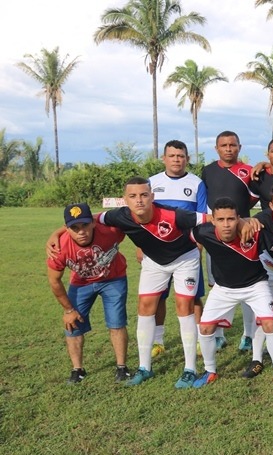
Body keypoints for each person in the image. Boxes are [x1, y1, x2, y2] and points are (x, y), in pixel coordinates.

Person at [47, 177, 206, 387]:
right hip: (154, 262)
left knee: (183, 306)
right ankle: (144, 367)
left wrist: (242, 221)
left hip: (185, 259)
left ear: (152, 196)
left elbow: (212, 218)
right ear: (125, 199)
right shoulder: (119, 216)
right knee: (144, 307)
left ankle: (189, 369)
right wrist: (56, 232)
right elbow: (89, 219)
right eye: (133, 196)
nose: (139, 200)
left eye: (143, 195)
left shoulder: (174, 214)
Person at [190, 197, 273, 392]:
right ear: (213, 220)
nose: (226, 224)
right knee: (205, 329)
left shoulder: (254, 232)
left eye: (231, 219)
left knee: (270, 324)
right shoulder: (203, 232)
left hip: (256, 286)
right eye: (221, 219)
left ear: (238, 218)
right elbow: (184, 232)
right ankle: (209, 371)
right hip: (223, 289)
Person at [47, 203, 130, 384]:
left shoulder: (110, 231)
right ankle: (78, 370)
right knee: (73, 324)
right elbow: (54, 281)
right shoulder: (59, 247)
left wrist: (141, 248)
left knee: (116, 323)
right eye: (75, 228)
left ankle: (122, 367)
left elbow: (134, 222)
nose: (81, 231)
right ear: (67, 229)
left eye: (85, 225)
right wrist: (69, 310)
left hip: (113, 279)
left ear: (93, 223)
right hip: (81, 283)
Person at [147, 139, 208, 358]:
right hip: (157, 252)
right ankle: (158, 341)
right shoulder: (152, 182)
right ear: (164, 158)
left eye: (180, 156)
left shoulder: (196, 183)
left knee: (193, 296)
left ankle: (201, 340)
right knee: (158, 297)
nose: (176, 159)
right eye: (172, 155)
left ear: (187, 159)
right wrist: (141, 246)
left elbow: (202, 218)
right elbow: (143, 217)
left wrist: (199, 245)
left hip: (187, 251)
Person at [202, 130, 259, 352]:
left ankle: (248, 334)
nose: (228, 149)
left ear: (239, 147)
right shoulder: (208, 171)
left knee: (248, 284)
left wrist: (245, 221)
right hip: (216, 237)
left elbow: (259, 197)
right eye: (224, 145)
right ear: (216, 148)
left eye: (232, 145)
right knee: (217, 283)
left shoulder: (248, 171)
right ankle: (218, 334)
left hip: (244, 236)